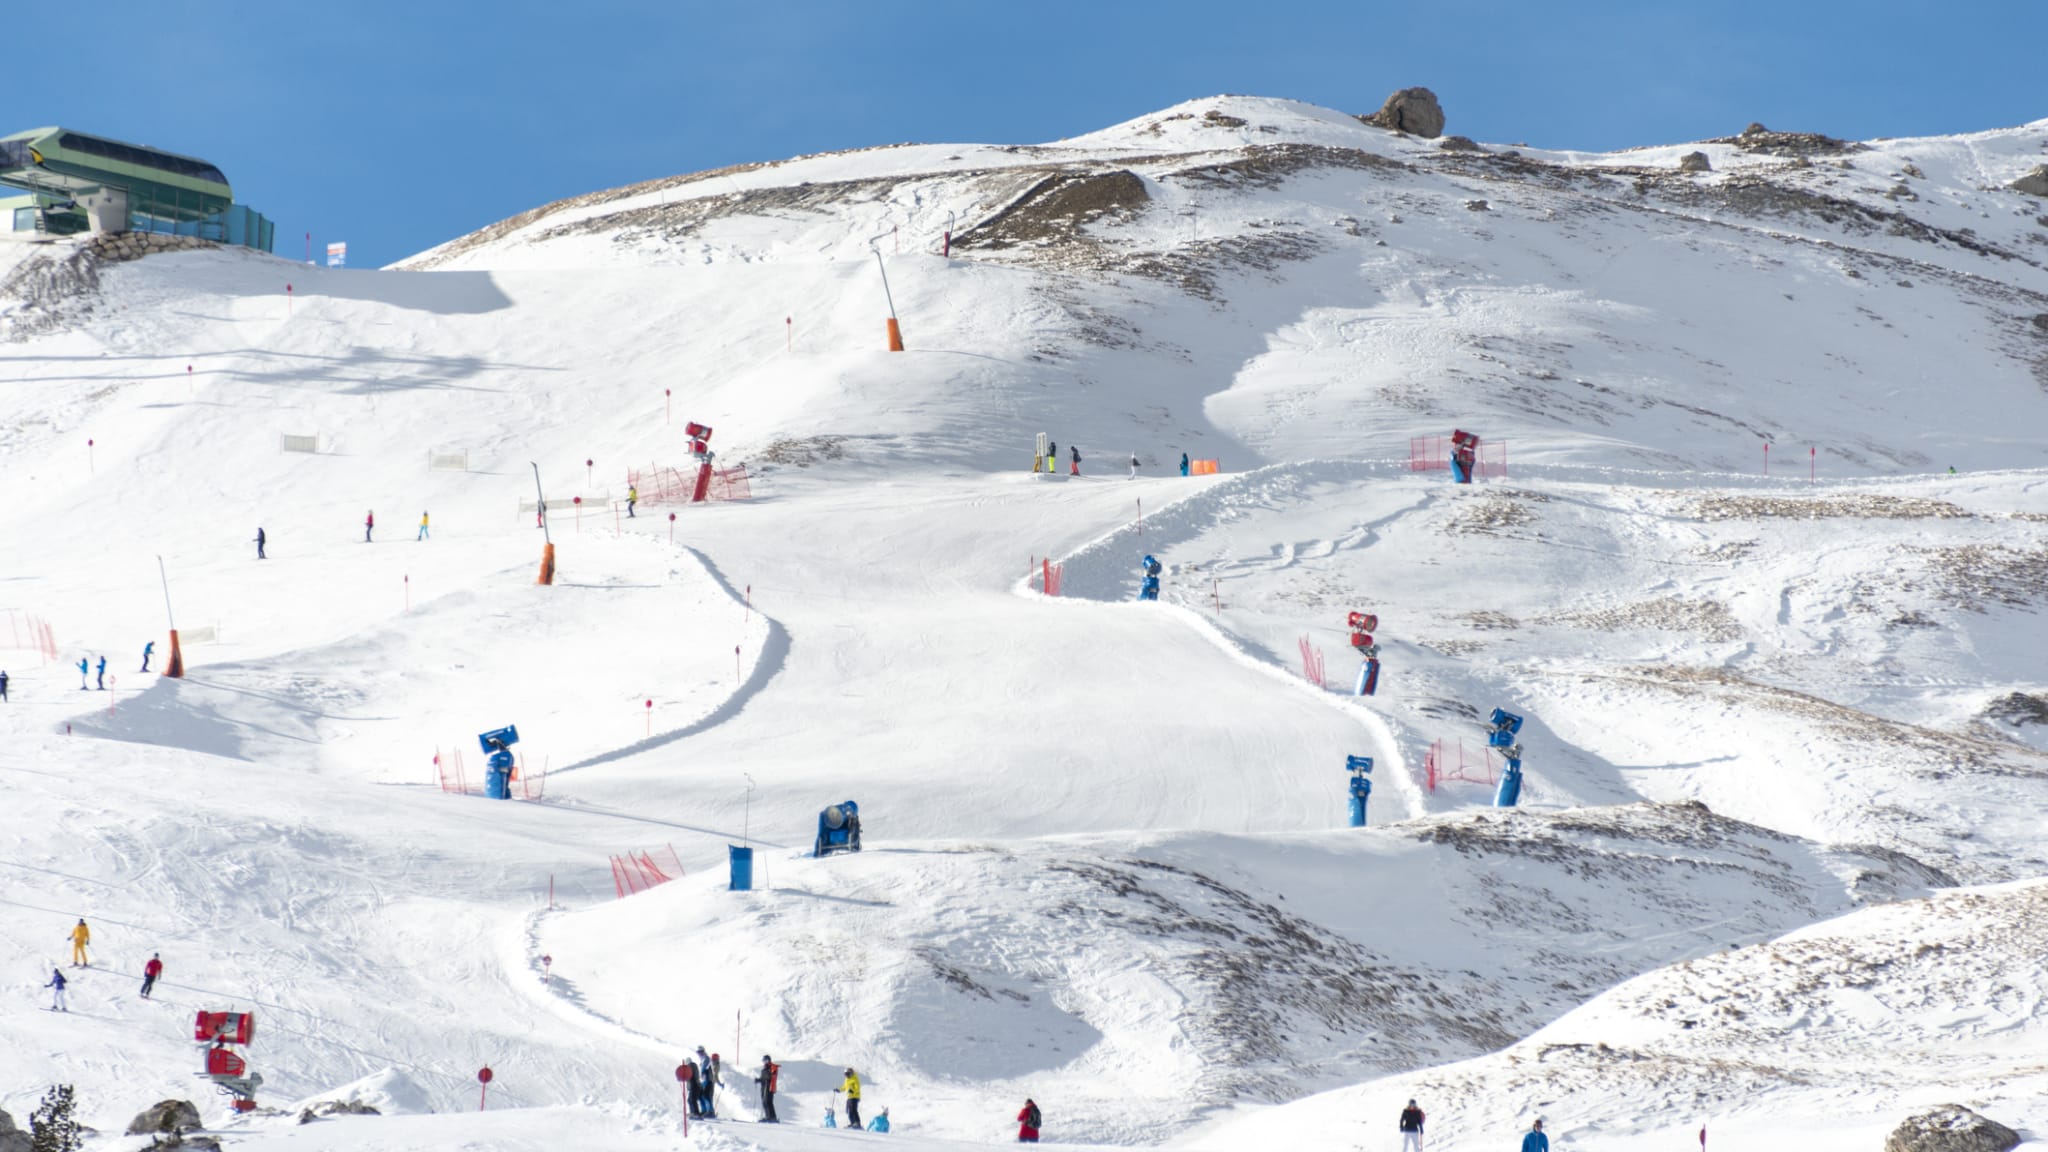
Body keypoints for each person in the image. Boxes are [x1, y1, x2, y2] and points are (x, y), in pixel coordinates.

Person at [756, 1055, 779, 1123]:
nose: (764, 1062)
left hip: (769, 1087)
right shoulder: (764, 1069)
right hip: (764, 1087)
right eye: (763, 1061)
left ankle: (771, 1117)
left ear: (769, 1060)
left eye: (766, 1060)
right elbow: (763, 1078)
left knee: (768, 1102)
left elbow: (770, 1077)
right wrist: (758, 1080)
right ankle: (768, 1116)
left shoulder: (772, 1068)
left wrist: (765, 1079)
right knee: (764, 1102)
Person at [696, 1048, 718, 1117]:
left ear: (703, 1052)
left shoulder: (706, 1059)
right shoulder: (703, 1060)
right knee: (702, 1096)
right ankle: (705, 1110)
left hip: (708, 1080)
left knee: (706, 1095)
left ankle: (710, 1111)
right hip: (704, 1081)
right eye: (698, 1052)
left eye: (700, 1052)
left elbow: (705, 1069)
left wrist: (704, 1076)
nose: (699, 1054)